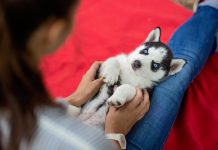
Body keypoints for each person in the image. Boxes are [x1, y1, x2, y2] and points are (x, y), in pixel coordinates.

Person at [0, 0, 217, 150]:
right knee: (172, 85)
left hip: (90, 116)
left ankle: (210, 16)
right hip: (107, 137)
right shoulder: (87, 143)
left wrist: (75, 99)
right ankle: (210, 13)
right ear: (54, 31)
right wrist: (115, 133)